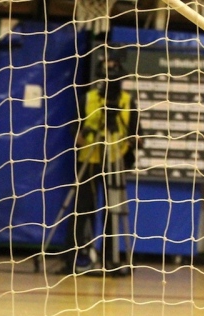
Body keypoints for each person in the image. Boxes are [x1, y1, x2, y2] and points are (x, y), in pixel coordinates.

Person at [59, 56, 140, 276]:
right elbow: (74, 129)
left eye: (114, 67)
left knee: (113, 212)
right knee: (82, 210)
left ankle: (111, 259)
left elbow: (138, 135)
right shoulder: (89, 99)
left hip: (115, 161)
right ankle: (74, 259)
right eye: (107, 68)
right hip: (90, 160)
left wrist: (130, 141)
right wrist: (84, 138)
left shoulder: (127, 101)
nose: (110, 72)